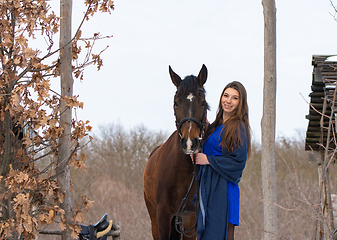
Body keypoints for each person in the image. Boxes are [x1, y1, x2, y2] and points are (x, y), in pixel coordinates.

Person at [191, 81, 251, 240]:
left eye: (234, 98)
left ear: (240, 103)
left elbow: (238, 164)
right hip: (207, 188)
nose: (228, 101)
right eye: (226, 95)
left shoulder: (238, 127)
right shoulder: (215, 126)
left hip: (224, 191)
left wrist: (208, 160)